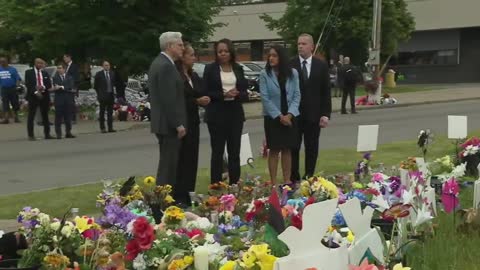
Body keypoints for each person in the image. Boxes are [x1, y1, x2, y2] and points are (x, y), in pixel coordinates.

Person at [204, 38, 249, 185]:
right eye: (220, 51)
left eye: (226, 51)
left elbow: (245, 93)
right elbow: (206, 92)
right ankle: (216, 185)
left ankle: (234, 184)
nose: (223, 54)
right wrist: (223, 95)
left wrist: (237, 94)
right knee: (217, 152)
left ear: (231, 52)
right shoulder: (210, 69)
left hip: (235, 113)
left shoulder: (238, 68)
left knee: (234, 152)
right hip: (216, 114)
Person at [290, 33, 332, 182]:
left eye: (303, 44)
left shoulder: (321, 65)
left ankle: (309, 176)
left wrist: (325, 114)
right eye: (298, 44)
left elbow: (326, 91)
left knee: (312, 147)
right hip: (294, 115)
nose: (300, 46)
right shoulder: (291, 65)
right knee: (293, 147)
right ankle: (293, 178)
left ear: (312, 47)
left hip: (314, 115)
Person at [147, 31, 186, 187]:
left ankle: (164, 200)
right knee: (168, 166)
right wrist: (178, 123)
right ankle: (163, 202)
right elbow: (168, 98)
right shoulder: (165, 66)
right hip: (168, 124)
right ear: (170, 46)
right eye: (180, 45)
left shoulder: (160, 63)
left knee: (168, 164)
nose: (183, 48)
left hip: (163, 123)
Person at [174, 43, 211, 205]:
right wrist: (196, 100)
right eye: (191, 55)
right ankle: (179, 195)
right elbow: (179, 98)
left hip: (194, 121)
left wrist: (204, 99)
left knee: (192, 158)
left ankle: (190, 192)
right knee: (182, 158)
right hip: (183, 120)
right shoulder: (176, 75)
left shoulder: (193, 75)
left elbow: (202, 89)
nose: (194, 58)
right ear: (183, 57)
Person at [260, 46, 301, 184]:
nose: (271, 58)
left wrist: (289, 115)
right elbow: (265, 98)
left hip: (289, 115)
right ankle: (273, 182)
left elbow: (296, 95)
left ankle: (287, 181)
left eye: (274, 55)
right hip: (273, 117)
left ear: (281, 57)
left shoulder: (293, 73)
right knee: (274, 150)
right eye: (269, 55)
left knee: (287, 149)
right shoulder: (265, 74)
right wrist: (279, 116)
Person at [25, 58, 54, 141]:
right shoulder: (29, 73)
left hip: (44, 96)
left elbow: (48, 85)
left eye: (41, 63)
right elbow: (28, 84)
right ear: (35, 63)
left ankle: (47, 134)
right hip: (33, 96)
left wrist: (43, 87)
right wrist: (35, 92)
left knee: (45, 115)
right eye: (38, 63)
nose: (40, 65)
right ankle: (31, 135)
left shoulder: (45, 73)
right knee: (31, 115)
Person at [51, 64, 76, 139]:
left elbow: (70, 87)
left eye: (60, 68)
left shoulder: (69, 77)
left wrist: (62, 87)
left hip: (68, 100)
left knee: (68, 117)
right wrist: (63, 88)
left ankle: (68, 132)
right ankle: (58, 133)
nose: (59, 69)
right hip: (59, 100)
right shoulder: (55, 78)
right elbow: (56, 87)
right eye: (58, 68)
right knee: (58, 118)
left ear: (64, 69)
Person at [94, 60, 117, 133]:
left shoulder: (112, 73)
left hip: (110, 95)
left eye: (108, 65)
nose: (107, 66)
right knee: (102, 112)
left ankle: (110, 127)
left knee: (110, 112)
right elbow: (96, 86)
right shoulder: (99, 74)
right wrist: (99, 93)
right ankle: (102, 128)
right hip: (103, 96)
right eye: (105, 65)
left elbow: (113, 84)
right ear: (103, 66)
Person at [0, 56, 21, 124]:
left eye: (3, 61)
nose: (2, 63)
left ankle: (16, 117)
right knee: (5, 103)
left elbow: (17, 78)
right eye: (1, 61)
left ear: (7, 62)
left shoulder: (12, 69)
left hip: (12, 88)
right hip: (4, 89)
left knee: (14, 103)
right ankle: (6, 119)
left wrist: (17, 86)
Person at [64, 54, 80, 124]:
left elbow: (76, 77)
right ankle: (67, 118)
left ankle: (73, 119)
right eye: (63, 58)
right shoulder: (66, 66)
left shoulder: (74, 66)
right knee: (66, 103)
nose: (64, 59)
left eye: (65, 57)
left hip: (72, 87)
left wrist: (74, 87)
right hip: (66, 87)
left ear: (69, 57)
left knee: (72, 103)